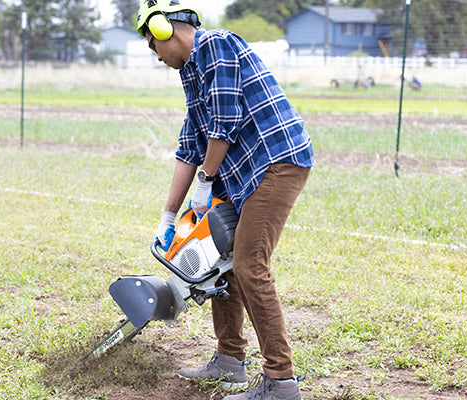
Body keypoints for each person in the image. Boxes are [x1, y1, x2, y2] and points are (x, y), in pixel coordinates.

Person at [136, 1, 314, 399]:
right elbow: (190, 145)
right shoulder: (191, 74)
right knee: (222, 262)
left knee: (250, 265)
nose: (157, 57)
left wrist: (205, 183)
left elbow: (224, 124)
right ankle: (230, 361)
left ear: (166, 29)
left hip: (275, 161)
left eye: (154, 46)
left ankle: (280, 383)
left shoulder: (215, 46)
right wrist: (169, 214)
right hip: (241, 176)